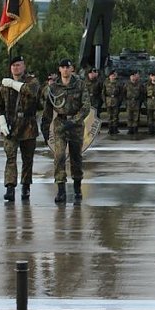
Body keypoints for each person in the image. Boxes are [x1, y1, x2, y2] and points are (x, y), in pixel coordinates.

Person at [0, 55, 40, 202]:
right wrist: (1, 122)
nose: (16, 68)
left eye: (19, 65)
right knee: (10, 158)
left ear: (24, 66)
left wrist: (12, 83)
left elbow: (30, 91)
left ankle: (26, 186)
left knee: (28, 159)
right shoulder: (4, 87)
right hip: (11, 126)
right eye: (13, 65)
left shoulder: (32, 81)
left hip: (28, 125)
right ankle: (10, 187)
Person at [46, 58, 90, 204]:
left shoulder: (80, 84)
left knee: (76, 157)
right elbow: (47, 108)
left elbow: (86, 107)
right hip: (60, 124)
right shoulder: (54, 87)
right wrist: (45, 127)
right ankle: (61, 190)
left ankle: (77, 187)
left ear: (72, 69)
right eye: (62, 67)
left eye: (68, 67)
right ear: (59, 69)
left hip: (75, 125)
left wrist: (73, 121)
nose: (65, 69)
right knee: (59, 157)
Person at [101, 68, 123, 134]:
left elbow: (121, 93)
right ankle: (110, 128)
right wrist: (105, 101)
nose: (113, 77)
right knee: (109, 115)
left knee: (115, 115)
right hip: (108, 101)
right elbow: (103, 93)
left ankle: (115, 128)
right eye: (112, 75)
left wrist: (119, 101)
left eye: (114, 75)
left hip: (116, 100)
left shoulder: (118, 83)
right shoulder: (106, 83)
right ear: (109, 76)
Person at [123, 70, 145, 134]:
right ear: (130, 77)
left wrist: (140, 100)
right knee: (129, 116)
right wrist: (125, 101)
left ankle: (135, 128)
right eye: (132, 76)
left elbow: (142, 93)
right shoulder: (126, 84)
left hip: (136, 102)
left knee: (136, 116)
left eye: (134, 76)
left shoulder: (139, 84)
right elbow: (123, 93)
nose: (133, 77)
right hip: (129, 102)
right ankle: (130, 129)